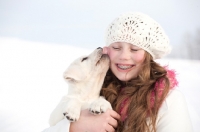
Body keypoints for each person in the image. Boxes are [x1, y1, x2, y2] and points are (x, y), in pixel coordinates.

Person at [43, 12, 193, 132]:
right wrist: (73, 128)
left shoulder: (169, 101)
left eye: (134, 49)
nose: (124, 56)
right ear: (107, 50)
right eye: (116, 47)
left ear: (148, 56)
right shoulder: (95, 91)